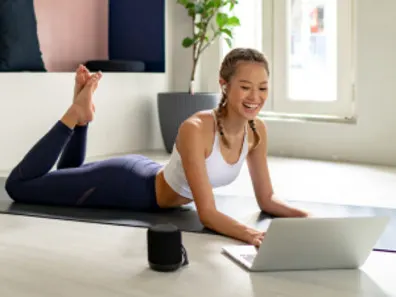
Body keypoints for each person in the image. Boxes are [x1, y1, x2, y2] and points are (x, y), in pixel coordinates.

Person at [4, 48, 308, 246]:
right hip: (128, 186)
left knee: (67, 177)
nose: (255, 96)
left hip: (148, 174)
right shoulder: (196, 129)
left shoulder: (257, 131)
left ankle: (82, 116)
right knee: (20, 186)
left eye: (263, 88)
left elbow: (266, 199)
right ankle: (75, 115)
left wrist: (308, 220)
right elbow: (208, 214)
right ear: (224, 85)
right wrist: (252, 235)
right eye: (245, 86)